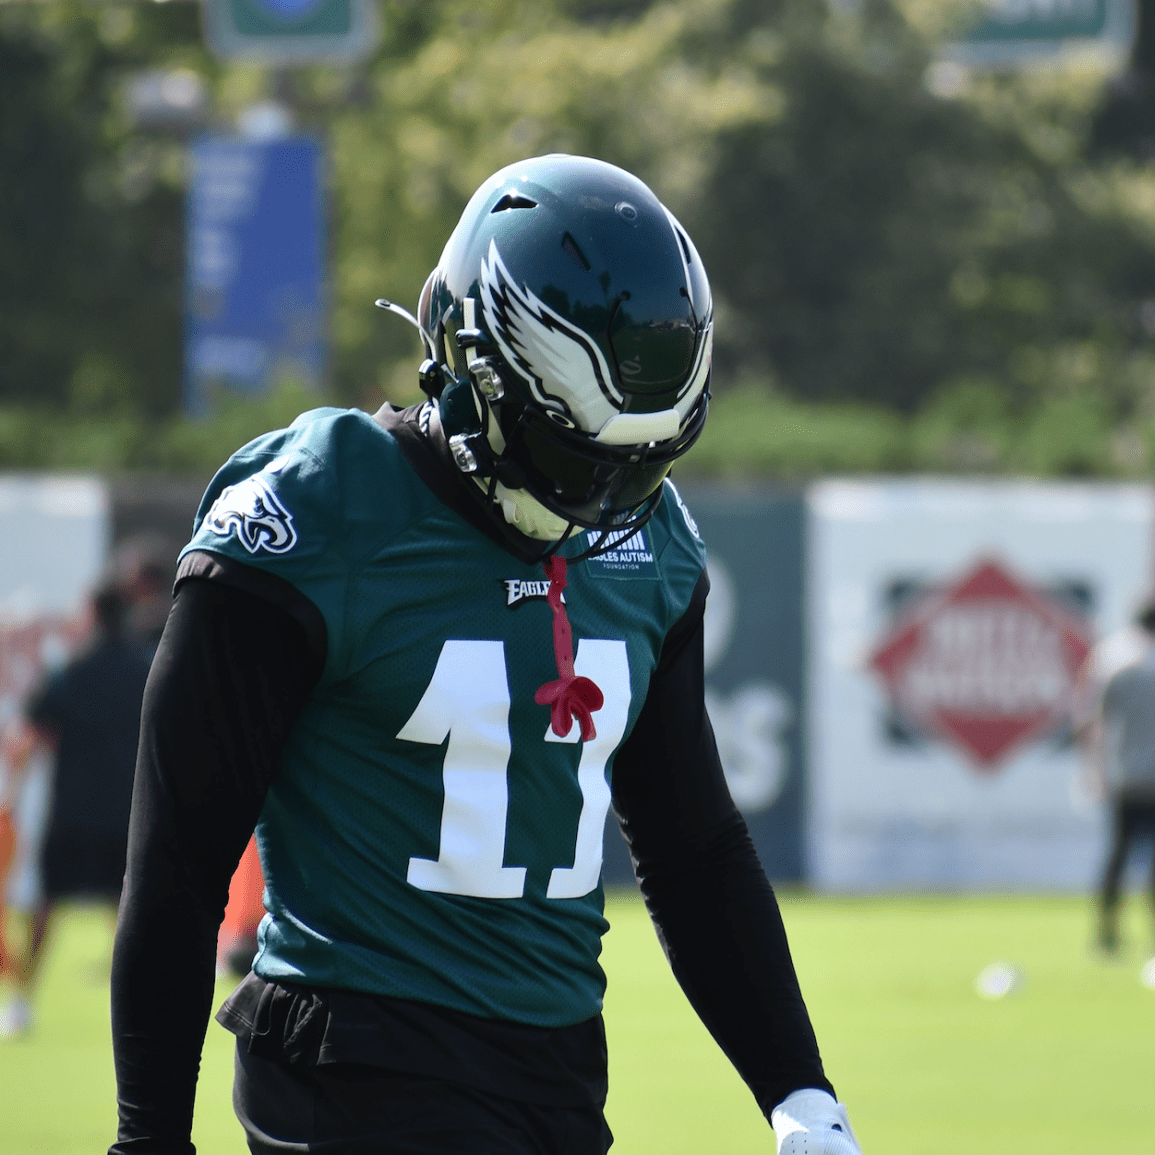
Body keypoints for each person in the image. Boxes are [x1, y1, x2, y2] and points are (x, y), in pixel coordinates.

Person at [110, 155, 861, 1155]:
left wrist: (798, 1090)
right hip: (351, 1065)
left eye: (637, 468)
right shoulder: (319, 510)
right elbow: (181, 858)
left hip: (555, 1078)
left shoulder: (649, 547)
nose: (602, 504)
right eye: (576, 458)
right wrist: (148, 1136)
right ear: (469, 365)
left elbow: (691, 845)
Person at [1, 584, 149, 1038]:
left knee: (44, 910)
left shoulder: (69, 672)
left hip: (72, 811)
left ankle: (21, 1004)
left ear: (91, 615)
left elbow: (34, 735)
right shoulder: (142, 670)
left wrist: (14, 798)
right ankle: (134, 1005)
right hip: (128, 812)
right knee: (125, 913)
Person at [1082, 598, 1155, 954]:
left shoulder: (1109, 659)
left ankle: (1106, 934)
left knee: (1118, 855)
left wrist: (1094, 770)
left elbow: (1090, 722)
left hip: (1123, 775)